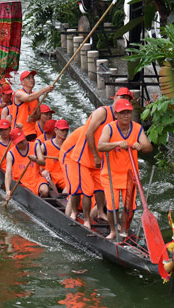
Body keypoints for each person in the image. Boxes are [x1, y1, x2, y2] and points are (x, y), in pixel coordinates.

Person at [62, 87, 134, 226]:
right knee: (85, 190)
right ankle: (83, 219)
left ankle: (101, 213)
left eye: (127, 99)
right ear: (115, 98)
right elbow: (89, 133)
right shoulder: (103, 112)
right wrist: (95, 156)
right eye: (122, 97)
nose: (124, 101)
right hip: (83, 158)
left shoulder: (121, 120)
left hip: (100, 161)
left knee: (102, 188)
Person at [96, 98, 153, 240]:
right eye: (122, 113)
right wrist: (116, 144)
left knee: (130, 208)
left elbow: (148, 147)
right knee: (113, 207)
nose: (126, 116)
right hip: (111, 175)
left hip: (130, 175)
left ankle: (124, 230)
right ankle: (113, 231)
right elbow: (101, 146)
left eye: (128, 112)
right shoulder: (109, 128)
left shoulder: (137, 128)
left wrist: (141, 146)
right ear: (116, 115)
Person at [4, 127, 48, 201]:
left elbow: (43, 163)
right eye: (19, 142)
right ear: (14, 143)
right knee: (31, 196)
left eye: (23, 140)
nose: (23, 143)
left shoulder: (35, 146)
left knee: (45, 191)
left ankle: (40, 201)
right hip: (22, 183)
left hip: (37, 179)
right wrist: (8, 190)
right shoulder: (10, 154)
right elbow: (8, 174)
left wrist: (35, 160)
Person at [10, 70, 53, 140]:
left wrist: (33, 118)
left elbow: (38, 116)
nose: (32, 80)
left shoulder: (35, 97)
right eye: (28, 78)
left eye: (32, 77)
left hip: (32, 134)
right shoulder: (18, 93)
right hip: (18, 133)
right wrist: (44, 90)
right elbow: (28, 98)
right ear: (22, 82)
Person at [42, 118, 69, 196]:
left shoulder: (69, 146)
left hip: (63, 177)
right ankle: (57, 195)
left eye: (66, 131)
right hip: (49, 175)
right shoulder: (46, 145)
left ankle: (63, 198)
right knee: (44, 173)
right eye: (62, 130)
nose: (65, 133)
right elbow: (36, 159)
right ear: (56, 130)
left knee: (72, 184)